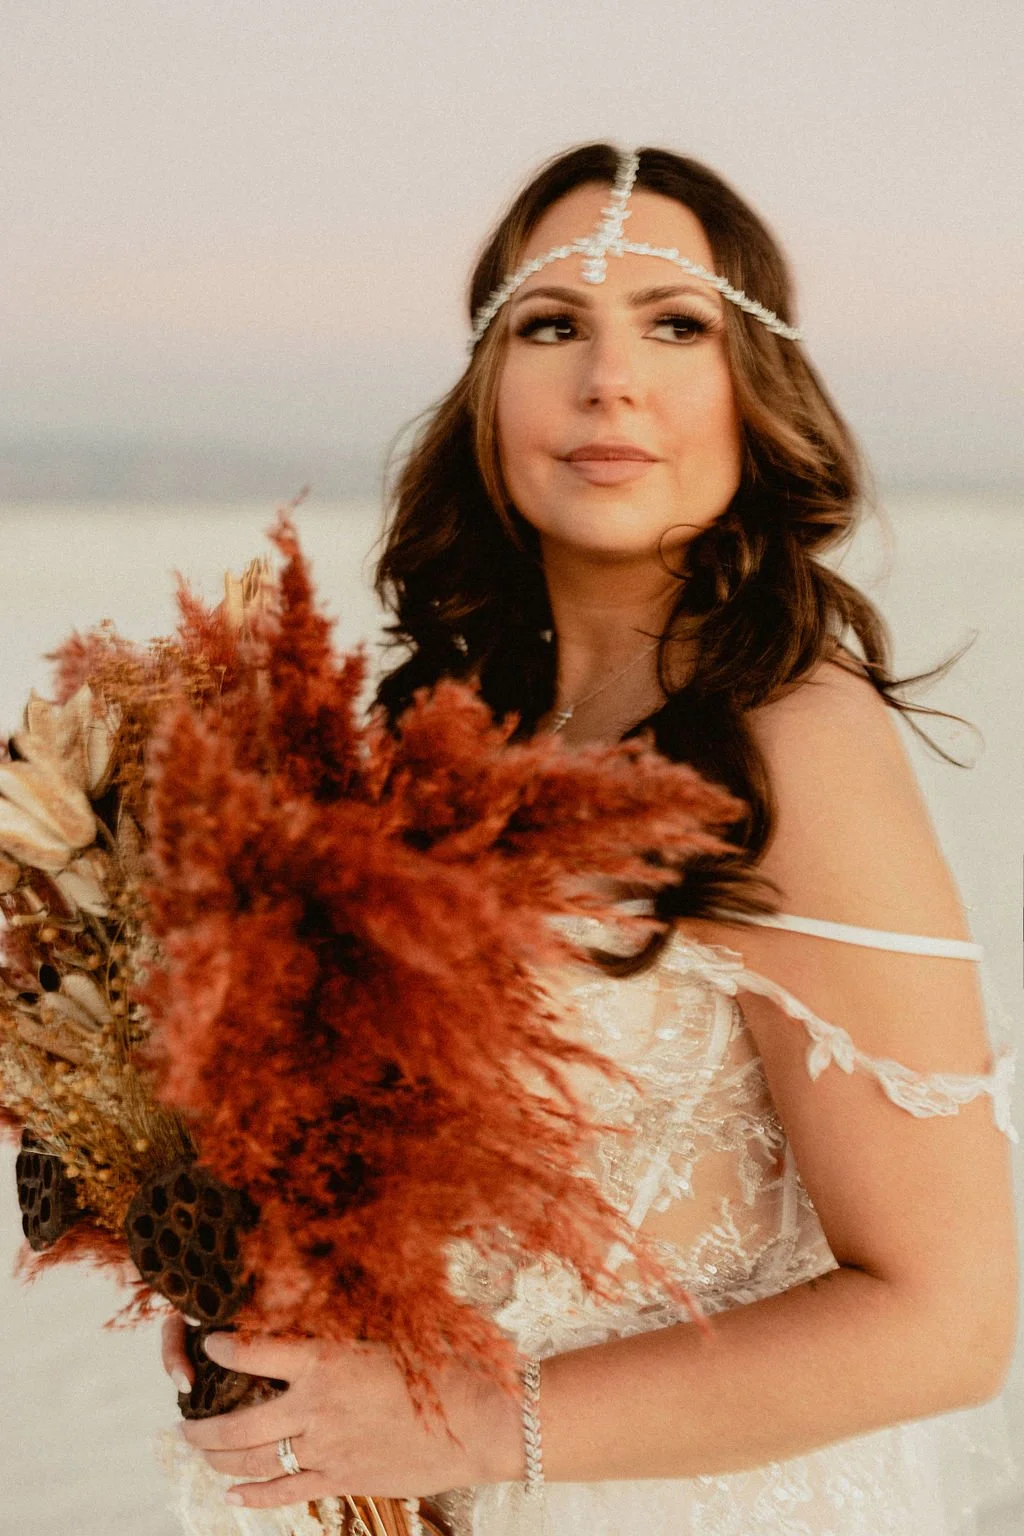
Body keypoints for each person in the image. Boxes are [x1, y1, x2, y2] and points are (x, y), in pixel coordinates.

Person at [162, 143, 1022, 1534]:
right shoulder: (454, 736)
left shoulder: (787, 733)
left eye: (675, 325)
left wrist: (474, 1421)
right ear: (488, 394)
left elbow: (948, 1319)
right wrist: (263, 1304)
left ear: (755, 393)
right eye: (551, 324)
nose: (607, 378)